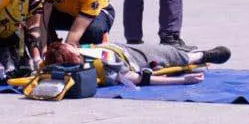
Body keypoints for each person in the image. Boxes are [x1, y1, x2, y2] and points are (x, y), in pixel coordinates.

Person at [42, 41, 231, 87]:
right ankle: (201, 55)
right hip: (136, 57)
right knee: (175, 56)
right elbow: (139, 79)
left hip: (121, 47)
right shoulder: (102, 68)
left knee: (169, 50)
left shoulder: (80, 55)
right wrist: (182, 80)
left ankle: (187, 49)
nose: (74, 46)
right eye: (72, 48)